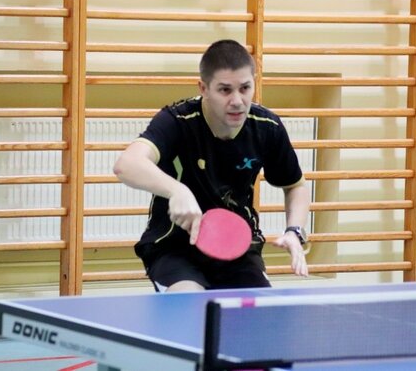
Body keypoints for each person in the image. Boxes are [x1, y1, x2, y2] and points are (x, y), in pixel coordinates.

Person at [113, 39, 310, 292]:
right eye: (225, 90)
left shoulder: (267, 127)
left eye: (245, 88)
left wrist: (294, 231)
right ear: (204, 88)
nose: (237, 100)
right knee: (190, 305)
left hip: (237, 250)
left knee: (258, 311)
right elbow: (127, 164)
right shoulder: (178, 120)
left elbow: (295, 185)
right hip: (175, 248)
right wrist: (178, 191)